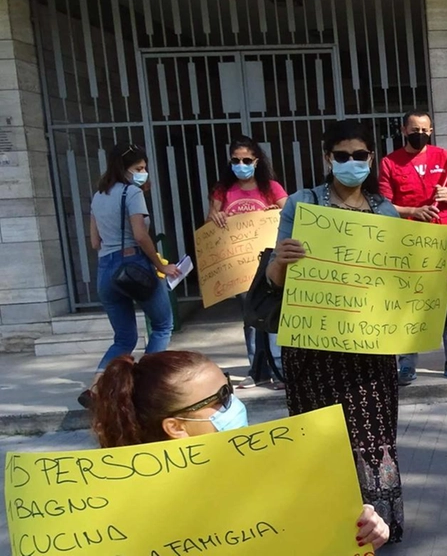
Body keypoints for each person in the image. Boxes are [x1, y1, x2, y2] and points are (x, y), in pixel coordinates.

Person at [264, 119, 407, 543]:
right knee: (320, 437)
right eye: (341, 155)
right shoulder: (301, 205)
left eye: (359, 155)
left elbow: (400, 277)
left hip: (370, 349)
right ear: (328, 158)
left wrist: (438, 280)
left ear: (371, 158)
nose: (350, 163)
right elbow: (274, 280)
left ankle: (378, 529)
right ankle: (327, 529)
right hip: (314, 349)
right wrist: (280, 262)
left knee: (374, 435)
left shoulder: (386, 210)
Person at [90, 350, 390, 551]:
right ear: (176, 427)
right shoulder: (126, 514)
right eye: (220, 399)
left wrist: (362, 532)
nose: (234, 404)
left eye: (230, 389)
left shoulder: (278, 470)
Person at [81, 144, 179, 409]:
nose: (143, 173)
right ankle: (145, 385)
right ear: (123, 169)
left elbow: (94, 241)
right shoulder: (132, 192)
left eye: (144, 168)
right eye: (139, 169)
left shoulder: (99, 196)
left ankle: (94, 389)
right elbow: (139, 235)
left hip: (105, 270)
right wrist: (160, 264)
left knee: (124, 338)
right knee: (162, 325)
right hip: (133, 263)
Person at [378, 109, 447, 385]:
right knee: (408, 302)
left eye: (425, 130)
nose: (421, 135)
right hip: (409, 242)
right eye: (415, 130)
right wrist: (412, 211)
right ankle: (406, 364)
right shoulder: (389, 163)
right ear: (403, 130)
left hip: (444, 242)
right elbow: (383, 206)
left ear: (431, 131)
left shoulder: (444, 157)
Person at [206, 136, 289, 391]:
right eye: (235, 160)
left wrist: (273, 212)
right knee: (251, 318)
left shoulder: (271, 188)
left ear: (256, 161)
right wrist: (217, 216)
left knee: (273, 314)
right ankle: (257, 370)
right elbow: (211, 219)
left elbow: (288, 214)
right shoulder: (223, 189)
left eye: (246, 160)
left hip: (268, 264)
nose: (240, 165)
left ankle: (278, 369)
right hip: (239, 268)